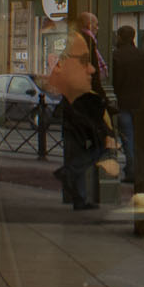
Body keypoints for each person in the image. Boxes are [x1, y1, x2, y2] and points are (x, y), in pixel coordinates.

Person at [47, 29, 118, 210]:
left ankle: (79, 197)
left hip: (73, 108)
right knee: (101, 145)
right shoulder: (86, 54)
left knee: (82, 148)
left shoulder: (67, 58)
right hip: (84, 107)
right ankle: (70, 173)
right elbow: (98, 78)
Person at [110, 25, 144, 183]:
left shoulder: (116, 56)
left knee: (127, 138)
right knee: (138, 138)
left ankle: (131, 170)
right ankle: (140, 168)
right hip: (140, 102)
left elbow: (114, 81)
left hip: (123, 102)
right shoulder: (141, 55)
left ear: (120, 37)